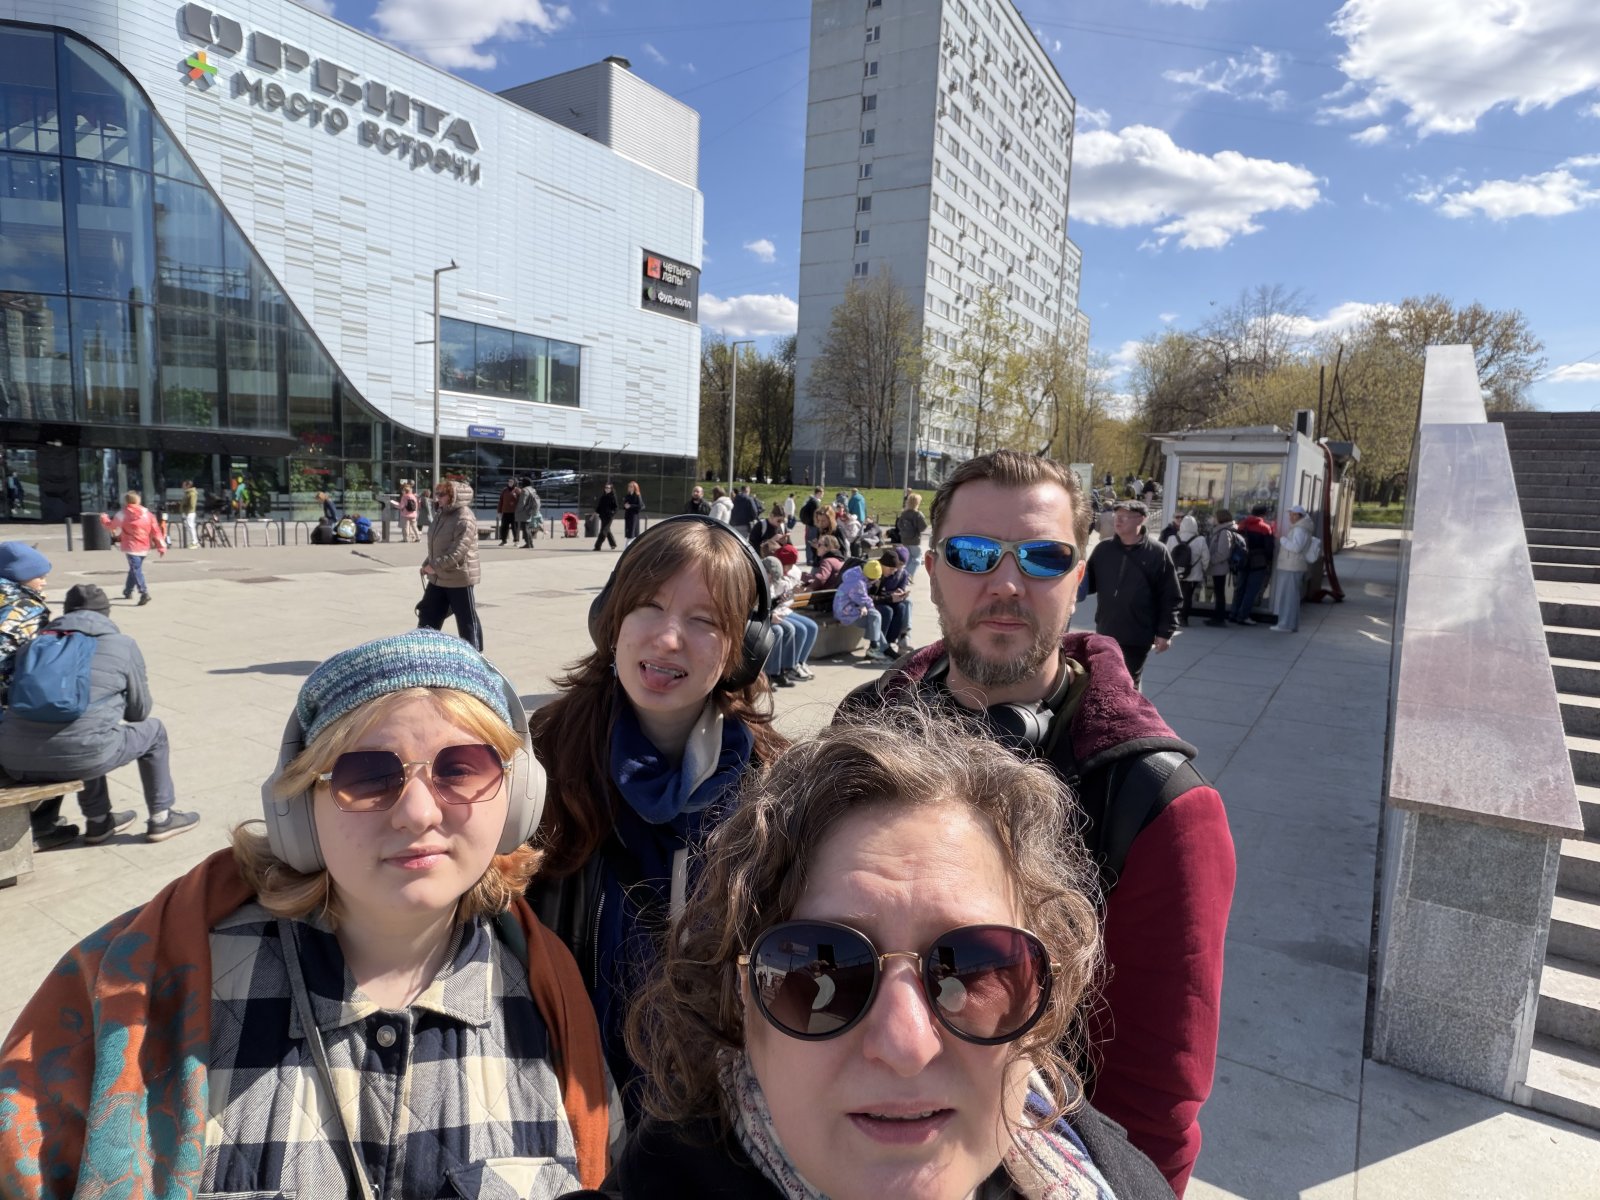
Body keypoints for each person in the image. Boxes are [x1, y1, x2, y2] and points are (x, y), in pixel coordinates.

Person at [0, 630, 614, 1197]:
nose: (418, 813)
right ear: (298, 811)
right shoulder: (143, 985)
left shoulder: (552, 994)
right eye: (367, 776)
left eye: (461, 768)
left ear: (517, 797)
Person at [839, 450, 1234, 1196]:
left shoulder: (1158, 804)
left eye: (1043, 558)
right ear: (932, 571)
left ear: (1078, 578)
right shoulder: (863, 727)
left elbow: (1155, 1109)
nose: (1006, 584)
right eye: (973, 554)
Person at [604, 714, 1171, 1200]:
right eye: (820, 969)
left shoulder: (1125, 1183)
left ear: (1043, 1006)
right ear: (740, 1003)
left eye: (974, 968)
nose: (906, 1047)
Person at [526, 515, 788, 1109]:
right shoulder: (540, 764)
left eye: (705, 621)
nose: (669, 639)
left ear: (744, 651)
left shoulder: (775, 788)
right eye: (649, 606)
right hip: (569, 1088)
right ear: (612, 619)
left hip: (716, 1102)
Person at [1, 583, 200, 846]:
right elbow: (139, 713)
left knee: (88, 728)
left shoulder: (34, 645)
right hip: (80, 756)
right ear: (105, 614)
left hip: (13, 759)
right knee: (151, 732)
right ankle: (162, 817)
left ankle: (99, 821)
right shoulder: (122, 645)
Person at [0, 543, 65, 847]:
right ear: (19, 575)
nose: (44, 581)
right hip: (9, 710)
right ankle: (43, 826)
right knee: (64, 742)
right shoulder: (25, 610)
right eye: (39, 575)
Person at [1081, 500, 1181, 688]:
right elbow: (1088, 585)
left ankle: (1129, 706)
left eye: (1124, 517)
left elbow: (1170, 595)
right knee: (1105, 680)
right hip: (1106, 629)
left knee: (1127, 683)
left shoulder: (1157, 552)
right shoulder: (1103, 549)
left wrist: (1165, 632)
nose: (1118, 521)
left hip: (1138, 633)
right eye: (1117, 516)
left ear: (1141, 519)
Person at [418, 479, 483, 649]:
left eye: (441, 494)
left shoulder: (464, 517)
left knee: (466, 618)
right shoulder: (442, 514)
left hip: (459, 577)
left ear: (453, 496)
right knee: (428, 613)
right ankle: (424, 648)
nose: (437, 498)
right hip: (438, 577)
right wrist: (427, 563)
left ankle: (475, 653)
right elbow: (437, 546)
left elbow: (458, 551)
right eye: (436, 494)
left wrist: (434, 566)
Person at [102, 491, 167, 607]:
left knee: (136, 569)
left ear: (126, 501)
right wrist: (161, 546)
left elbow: (111, 526)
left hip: (131, 546)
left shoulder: (122, 514)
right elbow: (156, 531)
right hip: (144, 546)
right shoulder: (148, 514)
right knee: (135, 568)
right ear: (138, 500)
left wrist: (104, 518)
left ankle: (143, 592)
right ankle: (128, 590)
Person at [767, 543, 817, 682]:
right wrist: (791, 592)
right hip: (776, 611)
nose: (790, 568)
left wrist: (795, 591)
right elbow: (774, 600)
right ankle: (788, 667)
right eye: (788, 565)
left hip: (784, 609)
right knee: (797, 629)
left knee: (812, 627)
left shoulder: (791, 573)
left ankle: (799, 662)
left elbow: (781, 599)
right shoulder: (774, 575)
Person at [833, 557, 892, 663]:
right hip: (845, 613)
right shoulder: (857, 583)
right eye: (875, 580)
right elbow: (863, 600)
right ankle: (875, 648)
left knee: (874, 621)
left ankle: (878, 648)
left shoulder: (856, 575)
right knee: (874, 616)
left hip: (850, 609)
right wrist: (871, 608)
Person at [1229, 504, 1277, 625]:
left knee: (1240, 588)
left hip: (1242, 561)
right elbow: (1269, 548)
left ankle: (1233, 613)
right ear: (1264, 514)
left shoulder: (1243, 524)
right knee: (1251, 590)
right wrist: (1269, 561)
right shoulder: (1265, 528)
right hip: (1258, 563)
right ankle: (1243, 616)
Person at [1272, 504, 1314, 633]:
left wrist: (1282, 539)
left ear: (1298, 516)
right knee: (1291, 597)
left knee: (1288, 597)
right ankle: (1290, 624)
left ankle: (1285, 625)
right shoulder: (1301, 528)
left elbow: (1296, 548)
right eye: (1290, 514)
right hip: (1293, 565)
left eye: (1292, 515)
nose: (1290, 517)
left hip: (1291, 566)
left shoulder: (1299, 529)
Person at [871, 547, 912, 656]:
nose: (898, 568)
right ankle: (881, 645)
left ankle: (900, 637)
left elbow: (901, 587)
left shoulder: (901, 573)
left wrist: (900, 593)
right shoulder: (882, 572)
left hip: (888, 599)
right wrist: (890, 596)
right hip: (878, 601)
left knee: (904, 605)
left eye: (902, 564)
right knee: (887, 611)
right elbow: (873, 594)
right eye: (898, 564)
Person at [1172, 511, 1210, 628]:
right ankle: (1184, 619)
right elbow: (1206, 558)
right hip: (1193, 574)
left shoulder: (1172, 538)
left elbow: (1166, 557)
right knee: (1188, 596)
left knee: (1174, 596)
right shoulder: (1200, 540)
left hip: (1175, 574)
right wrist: (1204, 570)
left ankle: (1173, 617)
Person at [1204, 509, 1238, 627]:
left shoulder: (1224, 532)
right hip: (1218, 567)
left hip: (1219, 567)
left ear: (1220, 518)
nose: (1213, 519)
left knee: (1219, 593)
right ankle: (1217, 616)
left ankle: (1219, 618)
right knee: (1218, 592)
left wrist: (1210, 561)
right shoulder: (1221, 530)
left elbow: (1223, 553)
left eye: (1215, 517)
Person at [897, 491, 929, 579]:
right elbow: (923, 527)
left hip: (905, 539)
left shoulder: (904, 513)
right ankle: (907, 576)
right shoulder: (917, 514)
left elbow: (899, 525)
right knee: (917, 559)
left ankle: (904, 576)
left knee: (908, 558)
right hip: (914, 540)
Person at [798, 486, 824, 564]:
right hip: (813, 525)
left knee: (809, 541)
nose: (823, 495)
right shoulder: (815, 502)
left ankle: (810, 559)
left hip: (809, 524)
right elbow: (817, 515)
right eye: (822, 493)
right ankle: (810, 559)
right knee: (812, 542)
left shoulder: (810, 500)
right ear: (819, 493)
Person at [517, 476, 542, 546]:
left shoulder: (525, 490)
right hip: (530, 510)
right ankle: (530, 543)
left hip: (525, 511)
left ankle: (528, 543)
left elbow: (522, 502)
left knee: (525, 527)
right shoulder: (532, 489)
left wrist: (518, 510)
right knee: (527, 527)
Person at [594, 482, 619, 550]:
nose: (606, 489)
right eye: (606, 488)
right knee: (607, 530)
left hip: (609, 517)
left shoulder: (613, 497)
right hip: (603, 516)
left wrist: (611, 513)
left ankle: (597, 546)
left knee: (603, 531)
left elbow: (616, 508)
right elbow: (599, 506)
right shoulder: (603, 497)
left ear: (611, 489)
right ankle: (613, 544)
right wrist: (595, 513)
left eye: (608, 488)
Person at [498, 478, 520, 545]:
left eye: (511, 482)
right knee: (504, 527)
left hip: (514, 512)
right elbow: (501, 501)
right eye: (509, 481)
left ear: (514, 483)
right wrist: (499, 511)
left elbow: (520, 501)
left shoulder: (518, 490)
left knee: (515, 527)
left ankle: (516, 541)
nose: (510, 483)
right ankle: (503, 540)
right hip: (505, 512)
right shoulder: (504, 490)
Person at [623, 480, 645, 547]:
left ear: (635, 487)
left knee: (632, 533)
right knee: (629, 533)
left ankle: (627, 547)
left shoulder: (637, 495)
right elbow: (625, 504)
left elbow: (640, 506)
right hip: (628, 516)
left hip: (634, 516)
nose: (629, 488)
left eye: (631, 486)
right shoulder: (627, 495)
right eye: (629, 486)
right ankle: (631, 546)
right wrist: (625, 506)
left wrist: (630, 506)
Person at [180, 479, 198, 547]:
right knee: (189, 527)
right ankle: (194, 541)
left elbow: (192, 504)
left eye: (184, 485)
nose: (182, 486)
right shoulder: (187, 493)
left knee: (190, 527)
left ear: (188, 486)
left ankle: (194, 542)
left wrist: (185, 506)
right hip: (187, 512)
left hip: (189, 512)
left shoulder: (191, 493)